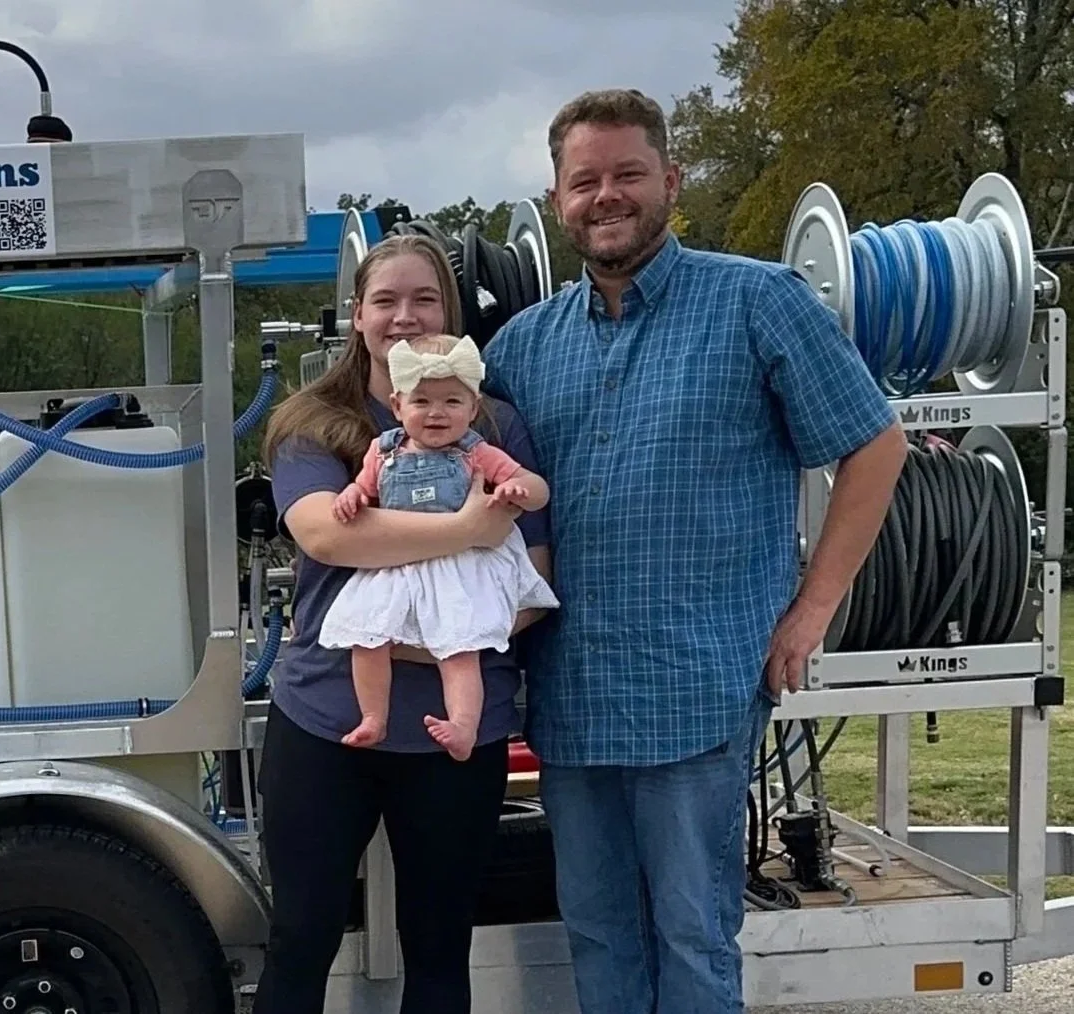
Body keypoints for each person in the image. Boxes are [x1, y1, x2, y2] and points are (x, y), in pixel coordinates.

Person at [480, 88, 906, 1013]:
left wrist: (813, 607)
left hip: (698, 688)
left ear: (669, 181)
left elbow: (876, 445)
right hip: (571, 697)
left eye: (626, 174)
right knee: (596, 935)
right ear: (557, 199)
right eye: (584, 180)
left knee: (693, 934)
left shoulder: (757, 302)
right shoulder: (520, 348)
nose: (606, 196)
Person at [254, 232, 556, 1013]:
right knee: (302, 936)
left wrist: (426, 641)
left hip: (458, 731)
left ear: (450, 317)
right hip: (325, 720)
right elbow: (325, 534)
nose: (404, 316)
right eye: (385, 300)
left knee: (438, 946)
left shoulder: (495, 427)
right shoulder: (314, 424)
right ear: (356, 316)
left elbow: (533, 583)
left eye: (424, 299)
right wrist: (467, 533)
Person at [320, 333, 558, 760]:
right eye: (422, 401)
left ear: (472, 409)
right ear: (397, 406)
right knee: (367, 638)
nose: (436, 413)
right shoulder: (383, 451)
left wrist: (520, 489)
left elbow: (538, 489)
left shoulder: (478, 453)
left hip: (456, 569)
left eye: (452, 402)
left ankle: (464, 727)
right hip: (398, 564)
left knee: (458, 649)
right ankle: (374, 716)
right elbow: (364, 486)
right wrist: (351, 496)